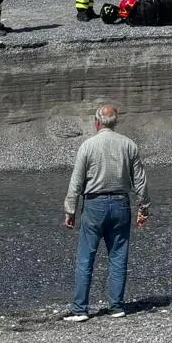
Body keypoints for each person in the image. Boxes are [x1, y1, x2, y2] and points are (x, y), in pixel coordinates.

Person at [62, 104, 151, 321]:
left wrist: (70, 209)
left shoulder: (88, 146)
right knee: (118, 256)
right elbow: (140, 180)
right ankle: (116, 306)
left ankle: (80, 309)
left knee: (86, 258)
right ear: (115, 122)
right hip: (121, 203)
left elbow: (77, 181)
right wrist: (144, 207)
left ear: (97, 122)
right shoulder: (129, 145)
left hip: (94, 204)